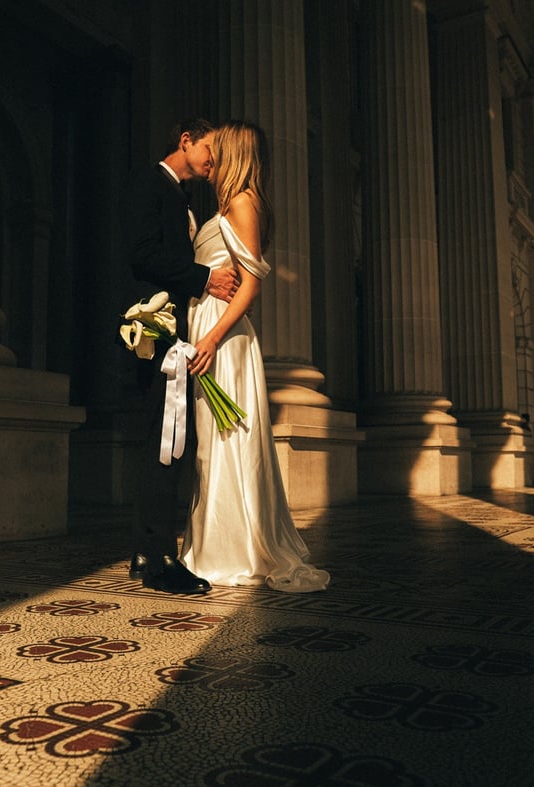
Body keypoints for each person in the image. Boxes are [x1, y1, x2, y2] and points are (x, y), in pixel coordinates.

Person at [182, 120, 330, 593]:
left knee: (223, 440)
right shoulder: (228, 204)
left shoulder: (243, 203)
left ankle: (231, 551)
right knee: (210, 442)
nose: (209, 157)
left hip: (224, 337)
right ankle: (215, 543)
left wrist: (212, 338)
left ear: (234, 154)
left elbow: (250, 285)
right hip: (209, 326)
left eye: (218, 149)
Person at [121, 117, 238, 594]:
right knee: (166, 440)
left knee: (166, 439)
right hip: (155, 331)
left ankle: (145, 549)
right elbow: (142, 254)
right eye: (210, 148)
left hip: (176, 332)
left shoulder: (183, 197)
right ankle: (160, 560)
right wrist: (204, 278)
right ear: (185, 141)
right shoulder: (151, 184)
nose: (214, 160)